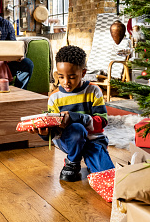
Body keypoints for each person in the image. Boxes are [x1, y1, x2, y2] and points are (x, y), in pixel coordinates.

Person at [25, 45, 114, 182]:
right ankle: (72, 161)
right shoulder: (54, 97)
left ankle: (93, 160)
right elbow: (55, 132)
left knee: (108, 178)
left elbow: (102, 122)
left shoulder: (94, 91)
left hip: (93, 140)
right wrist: (44, 134)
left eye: (72, 77)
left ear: (83, 73)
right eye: (61, 77)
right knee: (77, 129)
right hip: (70, 140)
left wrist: (76, 117)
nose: (66, 82)